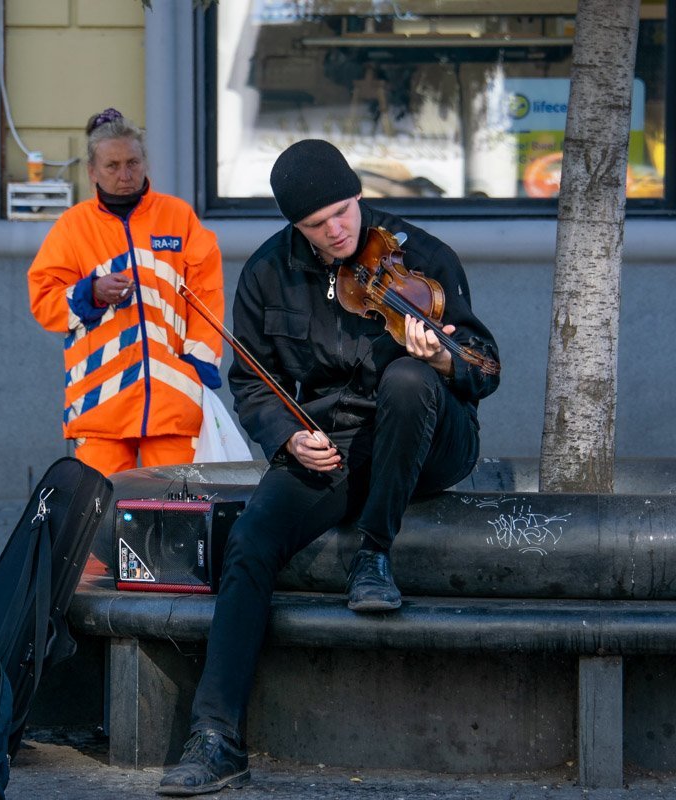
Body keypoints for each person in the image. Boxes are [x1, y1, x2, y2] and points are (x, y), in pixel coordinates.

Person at [157, 139, 500, 796]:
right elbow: (251, 384)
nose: (338, 230)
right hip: (332, 443)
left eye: (345, 211)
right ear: (296, 226)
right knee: (252, 538)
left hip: (429, 438)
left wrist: (443, 360)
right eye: (319, 224)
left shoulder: (421, 257)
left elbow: (487, 369)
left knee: (405, 379)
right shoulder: (266, 273)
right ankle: (215, 736)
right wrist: (288, 438)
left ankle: (374, 554)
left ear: (357, 197)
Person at [27, 109, 224, 475]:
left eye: (132, 162)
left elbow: (207, 294)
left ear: (145, 162)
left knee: (174, 518)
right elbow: (44, 303)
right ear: (92, 172)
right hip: (100, 406)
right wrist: (93, 292)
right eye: (112, 165)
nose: (124, 175)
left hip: (173, 399)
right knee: (101, 521)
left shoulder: (178, 217)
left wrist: (200, 365)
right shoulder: (73, 227)